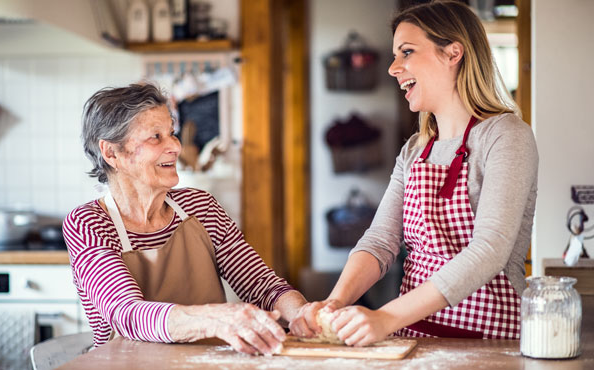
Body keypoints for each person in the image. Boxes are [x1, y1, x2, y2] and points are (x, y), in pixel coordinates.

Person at [289, 1, 538, 346]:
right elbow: (379, 242)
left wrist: (385, 317)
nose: (393, 68)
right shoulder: (415, 150)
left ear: (453, 53)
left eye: (406, 52)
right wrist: (335, 303)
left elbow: (489, 250)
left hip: (488, 342)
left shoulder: (506, 136)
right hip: (412, 336)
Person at [63, 83, 307, 355]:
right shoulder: (88, 223)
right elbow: (127, 313)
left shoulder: (201, 207)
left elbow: (261, 286)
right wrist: (216, 320)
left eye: (171, 133)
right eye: (155, 137)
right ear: (112, 153)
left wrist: (302, 314)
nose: (175, 146)